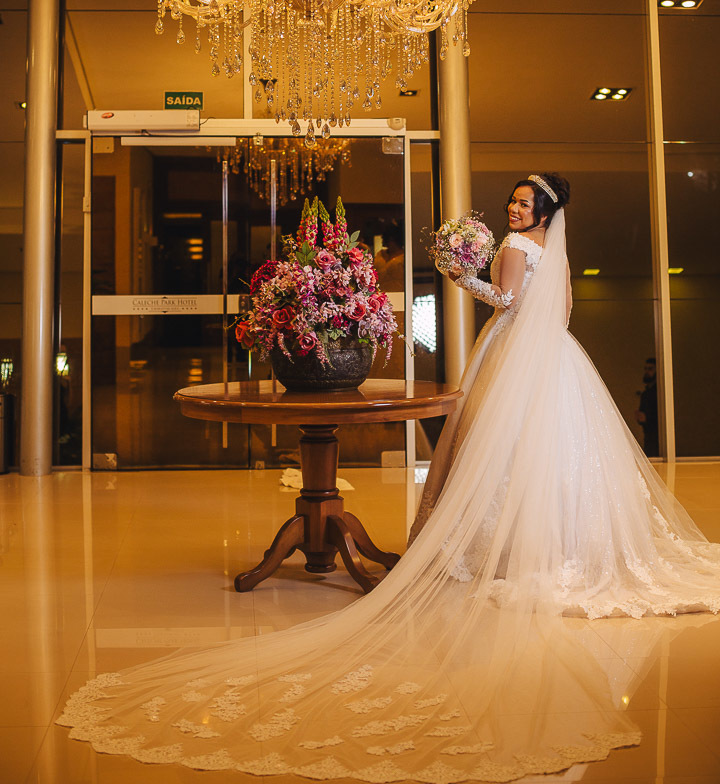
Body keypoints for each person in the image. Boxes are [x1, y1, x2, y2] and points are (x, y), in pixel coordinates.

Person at [58, 173, 720, 781]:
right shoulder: (560, 250)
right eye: (514, 202)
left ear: (541, 211)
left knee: (494, 445)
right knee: (550, 450)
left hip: (512, 350)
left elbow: (509, 300)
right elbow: (563, 311)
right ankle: (560, 542)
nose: (515, 210)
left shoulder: (517, 245)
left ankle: (497, 548)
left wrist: (465, 280)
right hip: (555, 359)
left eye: (523, 203)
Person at [636, 356, 659, 457]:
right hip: (648, 435)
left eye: (650, 369)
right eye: (645, 369)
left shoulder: (660, 393)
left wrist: (647, 418)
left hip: (658, 437)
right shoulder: (646, 393)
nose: (647, 371)